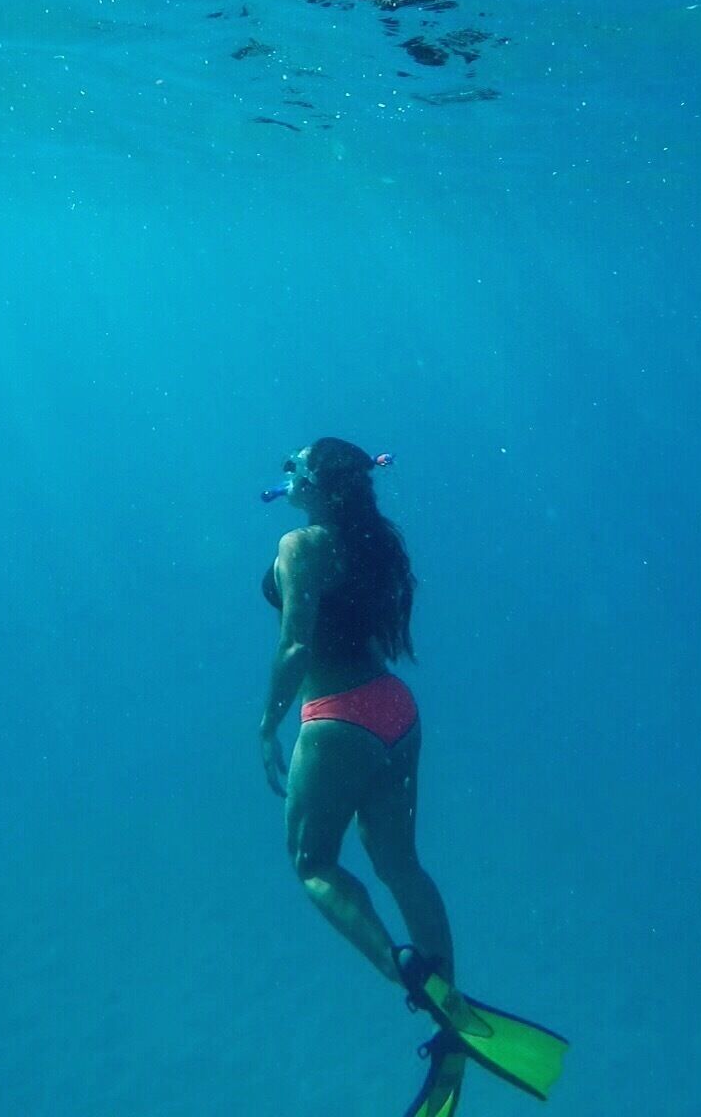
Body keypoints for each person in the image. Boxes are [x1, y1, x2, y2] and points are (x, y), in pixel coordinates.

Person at [258, 439, 567, 1115]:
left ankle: (407, 971)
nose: (285, 475)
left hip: (335, 715)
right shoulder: (373, 540)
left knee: (311, 863)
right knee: (400, 864)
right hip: (395, 711)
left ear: (315, 483)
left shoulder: (300, 545)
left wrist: (265, 724)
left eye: (294, 466)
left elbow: (296, 644)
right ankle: (450, 1026)